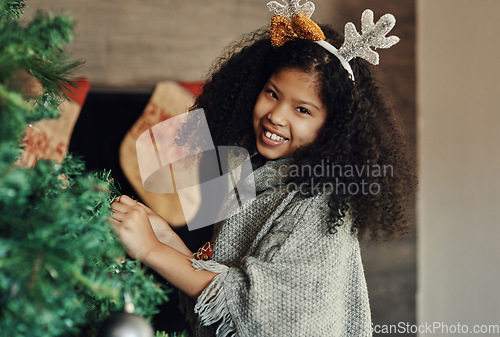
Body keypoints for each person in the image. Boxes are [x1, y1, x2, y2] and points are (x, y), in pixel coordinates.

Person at [109, 4, 416, 336]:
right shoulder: (257, 175)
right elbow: (225, 287)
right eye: (272, 94)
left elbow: (259, 312)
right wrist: (166, 237)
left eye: (302, 109)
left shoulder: (316, 204)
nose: (277, 116)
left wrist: (151, 251)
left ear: (331, 128)